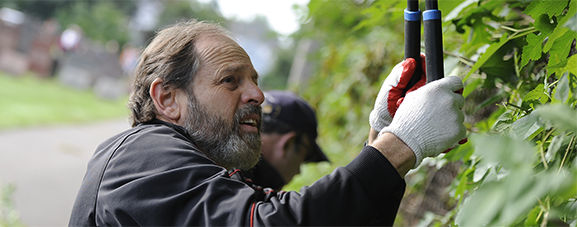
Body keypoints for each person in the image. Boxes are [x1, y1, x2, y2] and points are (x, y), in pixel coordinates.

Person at [69, 20, 466, 226]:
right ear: (167, 99)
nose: (257, 95)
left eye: (255, 82)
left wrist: (381, 135)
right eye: (231, 80)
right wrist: (397, 145)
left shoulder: (204, 171)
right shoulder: (141, 155)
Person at [243, 90, 329, 191]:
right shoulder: (252, 195)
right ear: (287, 143)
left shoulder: (227, 169)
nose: (298, 172)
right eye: (305, 158)